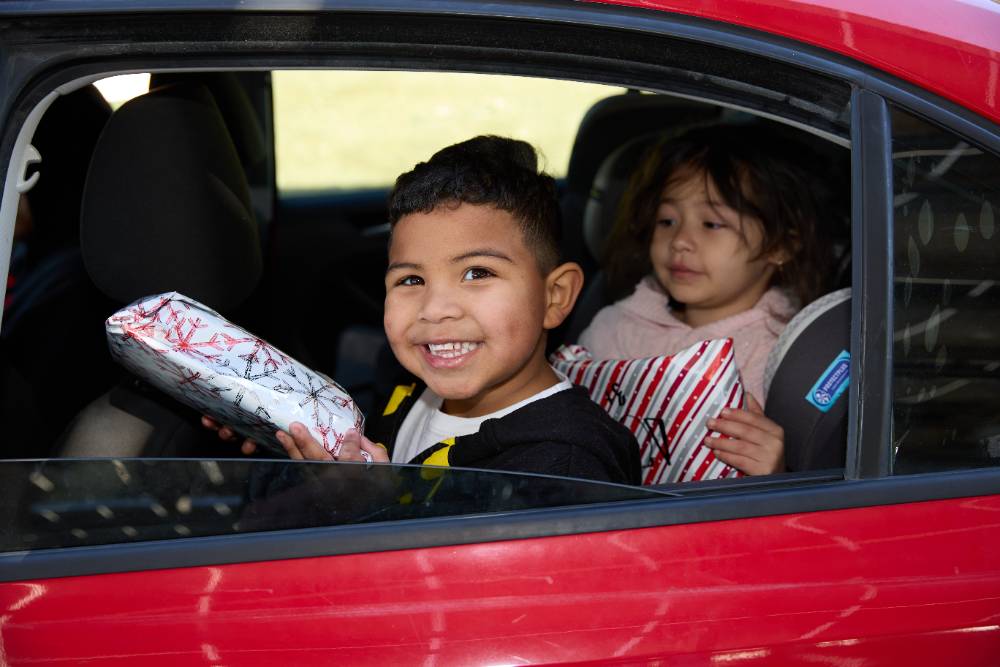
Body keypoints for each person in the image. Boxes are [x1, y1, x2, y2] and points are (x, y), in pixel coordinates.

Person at [208, 135, 641, 485]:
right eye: (411, 280)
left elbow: (476, 591)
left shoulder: (564, 467)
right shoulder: (410, 384)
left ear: (555, 297)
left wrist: (367, 509)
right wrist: (297, 438)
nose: (435, 310)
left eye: (477, 273)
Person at [577, 124, 835, 476]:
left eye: (711, 224)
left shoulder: (785, 356)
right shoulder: (613, 328)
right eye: (666, 220)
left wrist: (774, 474)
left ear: (780, 246)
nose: (681, 240)